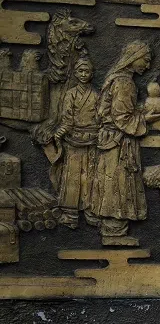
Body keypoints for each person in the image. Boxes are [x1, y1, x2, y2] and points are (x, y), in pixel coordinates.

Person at [91, 40, 160, 246]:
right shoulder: (124, 82)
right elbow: (122, 119)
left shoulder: (115, 79)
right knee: (118, 183)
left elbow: (114, 112)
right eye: (145, 60)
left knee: (111, 182)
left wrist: (138, 111)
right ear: (134, 58)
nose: (147, 65)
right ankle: (114, 234)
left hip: (110, 140)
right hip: (118, 143)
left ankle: (112, 230)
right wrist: (146, 119)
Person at [53, 53, 99, 229]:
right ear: (75, 73)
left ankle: (90, 210)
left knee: (90, 176)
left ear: (92, 74)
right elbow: (67, 119)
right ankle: (70, 214)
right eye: (80, 71)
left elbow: (100, 117)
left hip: (91, 140)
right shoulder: (70, 94)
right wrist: (61, 131)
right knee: (72, 176)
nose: (83, 74)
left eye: (87, 71)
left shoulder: (96, 95)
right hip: (73, 141)